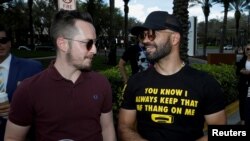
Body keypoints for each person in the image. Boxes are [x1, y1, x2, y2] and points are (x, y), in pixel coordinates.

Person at [4, 10, 116, 141]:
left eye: (95, 43)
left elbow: (107, 128)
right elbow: (13, 138)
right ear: (63, 44)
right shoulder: (29, 90)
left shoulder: (101, 83)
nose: (95, 50)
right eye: (88, 43)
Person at [118, 11, 227, 141]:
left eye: (152, 34)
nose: (145, 40)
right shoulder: (135, 82)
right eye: (143, 35)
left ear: (174, 38)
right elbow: (124, 127)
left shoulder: (205, 83)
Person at [0, 25, 43, 140]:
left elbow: (44, 105)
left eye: (3, 41)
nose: (0, 45)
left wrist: (18, 112)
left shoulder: (32, 68)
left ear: (9, 43)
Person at [236, 44, 250, 125]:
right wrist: (241, 71)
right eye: (247, 49)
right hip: (243, 85)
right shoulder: (242, 60)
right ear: (244, 51)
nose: (249, 51)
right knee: (243, 102)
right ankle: (243, 120)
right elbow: (237, 71)